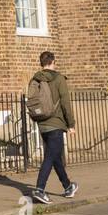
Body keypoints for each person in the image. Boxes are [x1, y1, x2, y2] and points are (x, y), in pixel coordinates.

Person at [29, 51, 77, 204]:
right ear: (53, 61)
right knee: (50, 157)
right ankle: (39, 189)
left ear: (41, 63)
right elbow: (65, 103)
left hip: (42, 123)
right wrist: (71, 124)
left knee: (55, 157)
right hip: (55, 123)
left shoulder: (35, 78)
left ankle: (68, 186)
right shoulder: (59, 78)